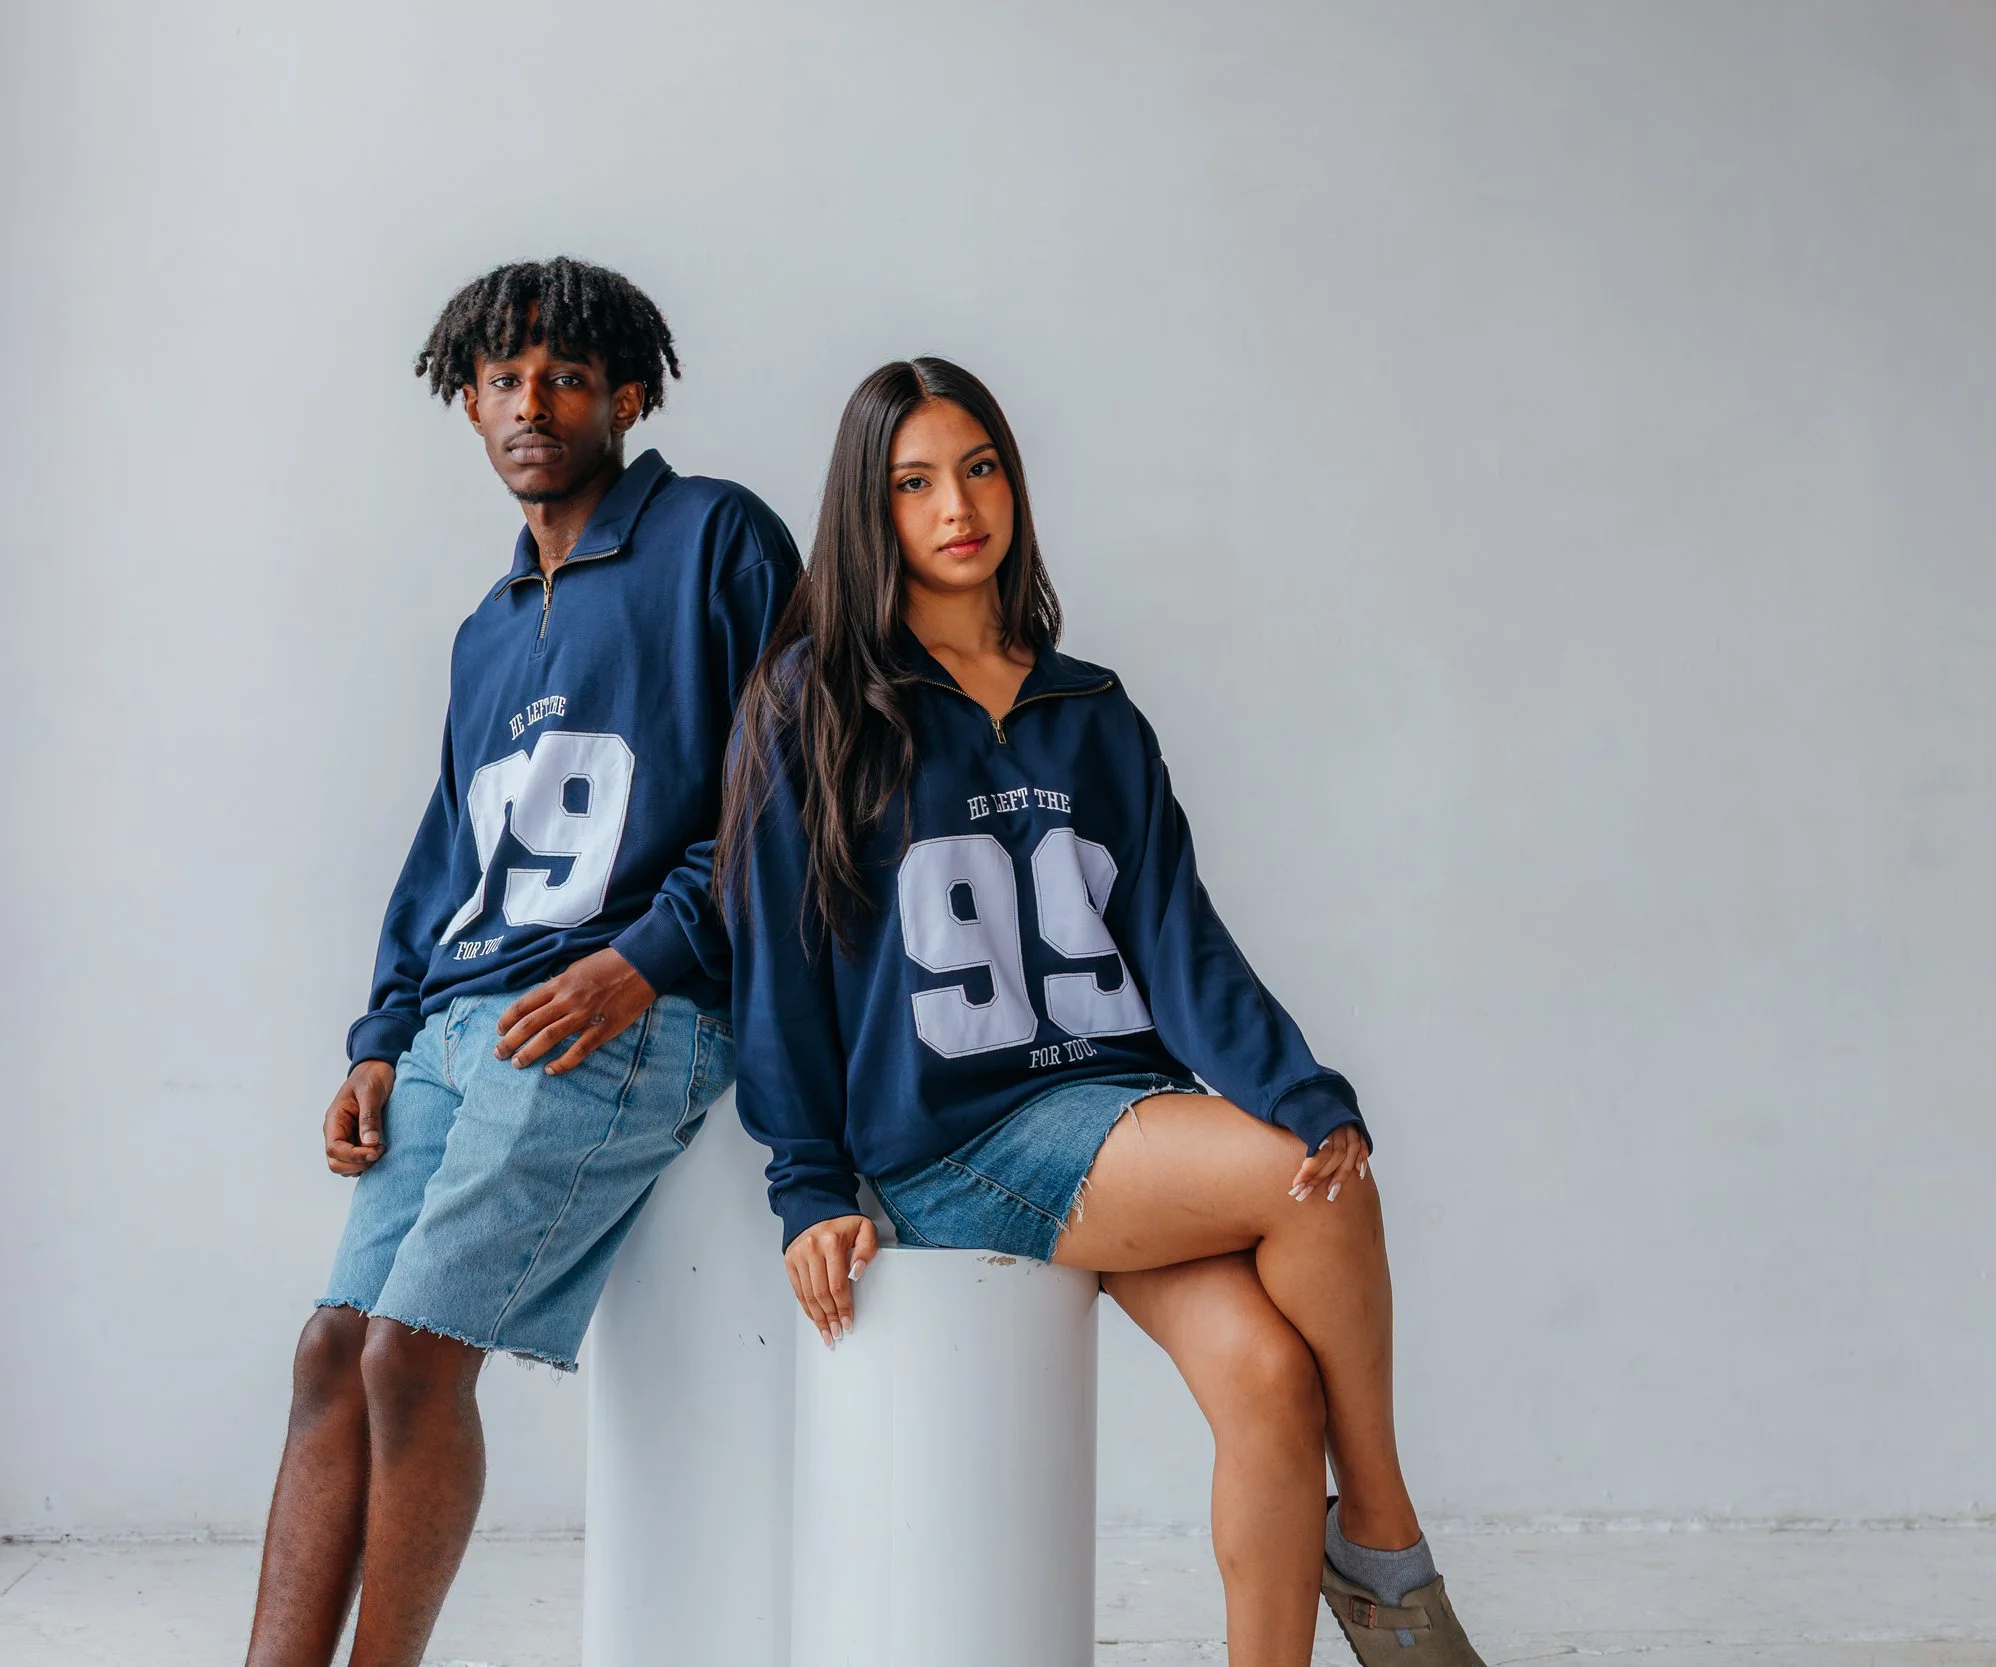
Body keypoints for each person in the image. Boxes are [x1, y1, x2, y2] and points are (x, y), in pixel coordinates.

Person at [719, 357, 1486, 1667]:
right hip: (955, 1141)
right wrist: (806, 1185)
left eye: (980, 468)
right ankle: (1387, 1535)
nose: (957, 505)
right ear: (869, 510)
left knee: (1267, 1378)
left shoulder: (1093, 713)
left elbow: (1180, 942)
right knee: (1313, 1187)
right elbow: (777, 969)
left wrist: (1296, 1083)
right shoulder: (815, 708)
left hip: (1118, 1116)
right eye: (913, 483)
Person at [245, 258, 800, 1667]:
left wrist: (652, 957)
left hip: (608, 1015)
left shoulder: (714, 538)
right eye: (502, 380)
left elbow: (790, 784)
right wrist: (378, 1034)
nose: (529, 404)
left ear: (627, 394)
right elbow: (448, 853)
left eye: (562, 376)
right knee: (328, 1349)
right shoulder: (488, 628)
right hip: (453, 1024)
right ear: (468, 403)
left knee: (407, 1353)